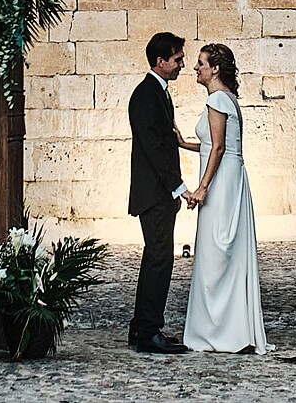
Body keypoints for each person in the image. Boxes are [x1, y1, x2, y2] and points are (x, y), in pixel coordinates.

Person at [180, 42, 269, 354]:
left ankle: (218, 331)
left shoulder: (218, 98)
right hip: (230, 176)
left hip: (221, 181)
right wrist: (185, 144)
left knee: (215, 253)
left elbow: (218, 148)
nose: (196, 67)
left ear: (215, 69)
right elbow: (215, 145)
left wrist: (202, 186)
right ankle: (230, 327)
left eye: (201, 63)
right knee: (222, 252)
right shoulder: (228, 98)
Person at [127, 30, 192, 354]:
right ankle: (149, 332)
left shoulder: (157, 92)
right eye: (177, 59)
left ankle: (141, 326)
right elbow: (154, 148)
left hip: (158, 193)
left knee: (155, 257)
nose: (182, 64)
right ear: (160, 61)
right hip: (154, 194)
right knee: (159, 259)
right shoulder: (146, 95)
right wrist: (178, 188)